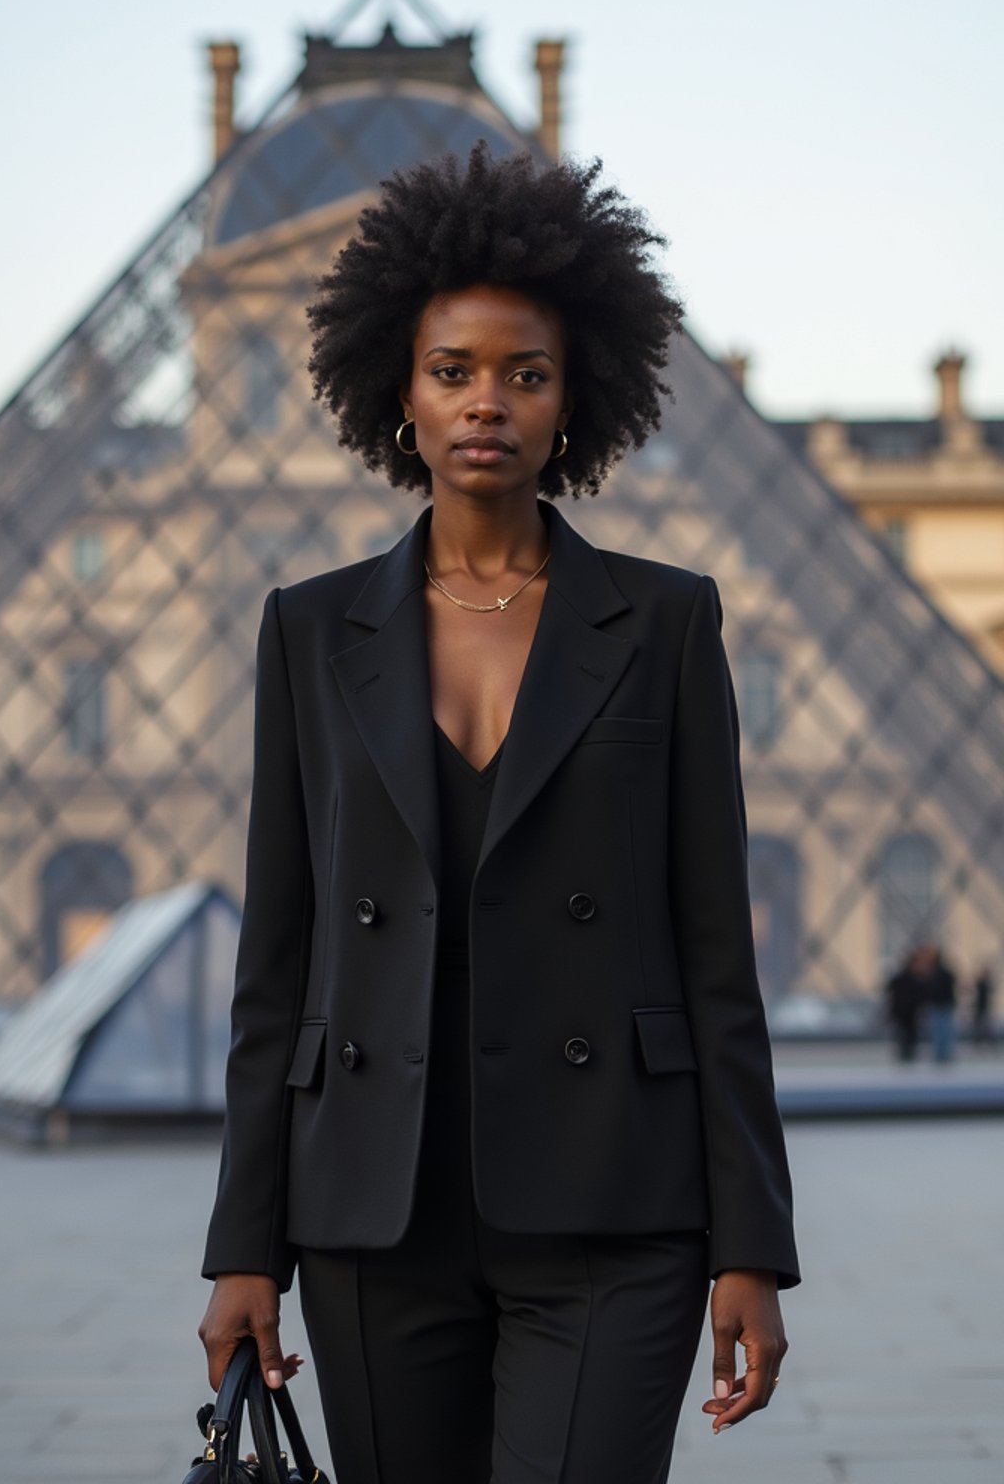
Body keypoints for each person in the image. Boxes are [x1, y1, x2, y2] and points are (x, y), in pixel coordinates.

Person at [198, 142, 799, 1484]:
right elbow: (277, 968)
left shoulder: (665, 619)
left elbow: (718, 958)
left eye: (525, 374)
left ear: (572, 399)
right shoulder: (308, 631)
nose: (487, 404)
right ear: (396, 394)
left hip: (611, 1207)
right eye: (453, 371)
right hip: (374, 1208)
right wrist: (244, 1247)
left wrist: (753, 1241)